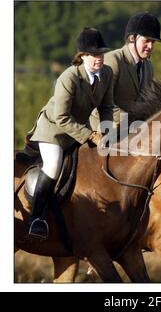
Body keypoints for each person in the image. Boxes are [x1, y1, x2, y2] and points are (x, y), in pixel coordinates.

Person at [26, 27, 113, 240]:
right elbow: (62, 118)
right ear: (82, 56)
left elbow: (106, 107)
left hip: (76, 131)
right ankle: (36, 219)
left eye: (100, 54)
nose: (98, 59)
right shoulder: (69, 77)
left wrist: (108, 133)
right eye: (93, 55)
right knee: (53, 166)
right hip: (53, 130)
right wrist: (92, 136)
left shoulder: (107, 73)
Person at [89, 12, 161, 131]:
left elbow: (145, 102)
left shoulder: (148, 67)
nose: (150, 46)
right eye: (147, 41)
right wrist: (131, 121)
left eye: (153, 42)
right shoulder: (113, 61)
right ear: (132, 38)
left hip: (130, 128)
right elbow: (100, 102)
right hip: (101, 127)